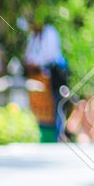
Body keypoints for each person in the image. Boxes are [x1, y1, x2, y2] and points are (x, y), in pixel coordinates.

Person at [24, 12, 66, 142]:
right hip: (37, 78)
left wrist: (36, 63)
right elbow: (28, 55)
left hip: (53, 77)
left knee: (55, 105)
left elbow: (50, 56)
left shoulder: (49, 32)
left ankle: (56, 136)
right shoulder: (33, 37)